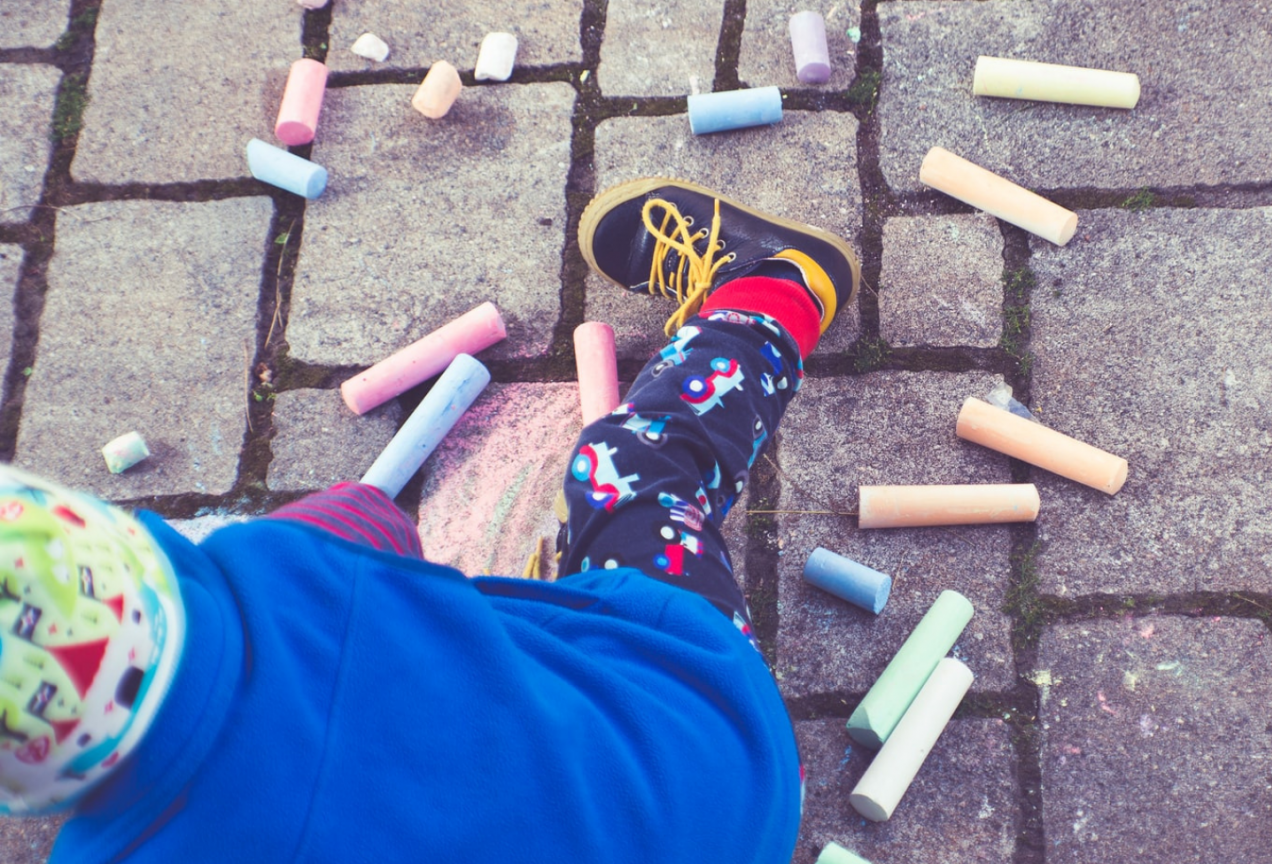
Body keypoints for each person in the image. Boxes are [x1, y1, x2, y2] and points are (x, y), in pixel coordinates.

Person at [2, 179, 858, 862]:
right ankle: (773, 290)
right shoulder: (287, 571)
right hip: (713, 766)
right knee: (630, 474)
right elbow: (377, 520)